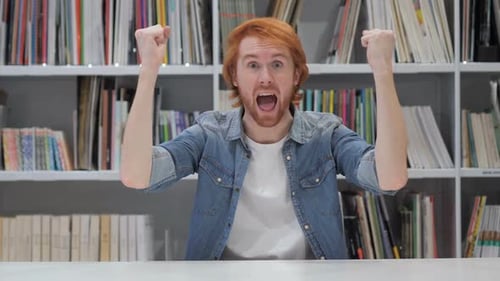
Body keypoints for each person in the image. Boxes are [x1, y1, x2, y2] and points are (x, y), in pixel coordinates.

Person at [120, 17, 408, 260]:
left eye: (278, 64)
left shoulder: (325, 135)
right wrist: (148, 72)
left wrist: (383, 71)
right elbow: (138, 176)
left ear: (297, 74)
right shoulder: (210, 135)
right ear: (234, 74)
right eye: (253, 65)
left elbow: (390, 178)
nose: (266, 78)